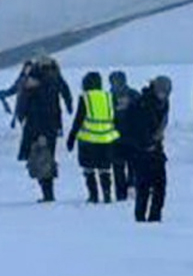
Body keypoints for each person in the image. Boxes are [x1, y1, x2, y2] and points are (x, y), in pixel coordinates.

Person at [66, 71, 120, 203]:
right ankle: (107, 195)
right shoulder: (109, 97)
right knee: (105, 169)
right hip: (107, 139)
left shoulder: (85, 98)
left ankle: (93, 195)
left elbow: (78, 120)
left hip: (88, 140)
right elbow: (116, 117)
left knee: (89, 169)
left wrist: (71, 138)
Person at [16, 59, 64, 202]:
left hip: (39, 131)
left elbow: (25, 109)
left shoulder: (37, 91)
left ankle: (48, 195)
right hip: (46, 129)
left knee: (42, 162)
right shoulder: (49, 87)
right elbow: (57, 108)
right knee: (43, 161)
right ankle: (47, 193)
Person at [124, 76, 171, 221]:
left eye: (166, 92)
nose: (163, 94)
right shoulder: (143, 104)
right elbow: (133, 128)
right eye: (161, 91)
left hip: (156, 150)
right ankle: (140, 218)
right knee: (143, 188)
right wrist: (145, 143)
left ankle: (155, 217)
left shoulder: (163, 104)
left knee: (160, 187)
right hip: (141, 151)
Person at [109, 70, 138, 200]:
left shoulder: (109, 97)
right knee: (120, 166)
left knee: (127, 165)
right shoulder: (133, 94)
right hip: (118, 137)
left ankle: (127, 189)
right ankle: (123, 191)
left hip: (127, 136)